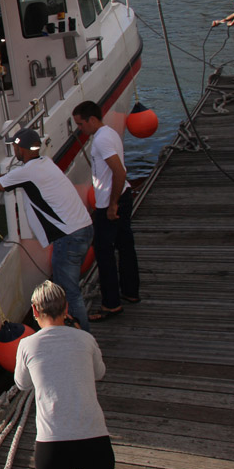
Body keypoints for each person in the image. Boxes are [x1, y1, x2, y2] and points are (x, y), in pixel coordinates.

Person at [0, 128, 94, 331]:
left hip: (69, 237)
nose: (13, 149)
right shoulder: (43, 163)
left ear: (20, 148)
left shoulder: (28, 172)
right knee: (69, 288)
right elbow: (12, 177)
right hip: (84, 228)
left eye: (14, 146)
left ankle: (82, 338)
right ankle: (75, 332)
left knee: (69, 292)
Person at [15, 280, 114, 469]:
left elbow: (22, 384)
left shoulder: (27, 345)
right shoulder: (85, 338)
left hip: (52, 445)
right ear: (66, 307)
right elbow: (99, 373)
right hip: (94, 439)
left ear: (34, 309)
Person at [72, 101, 140, 322]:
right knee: (125, 245)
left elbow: (119, 171)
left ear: (92, 119)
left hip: (110, 203)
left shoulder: (101, 140)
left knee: (104, 253)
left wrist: (112, 205)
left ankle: (111, 304)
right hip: (122, 197)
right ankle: (130, 291)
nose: (80, 128)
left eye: (80, 123)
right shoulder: (110, 133)